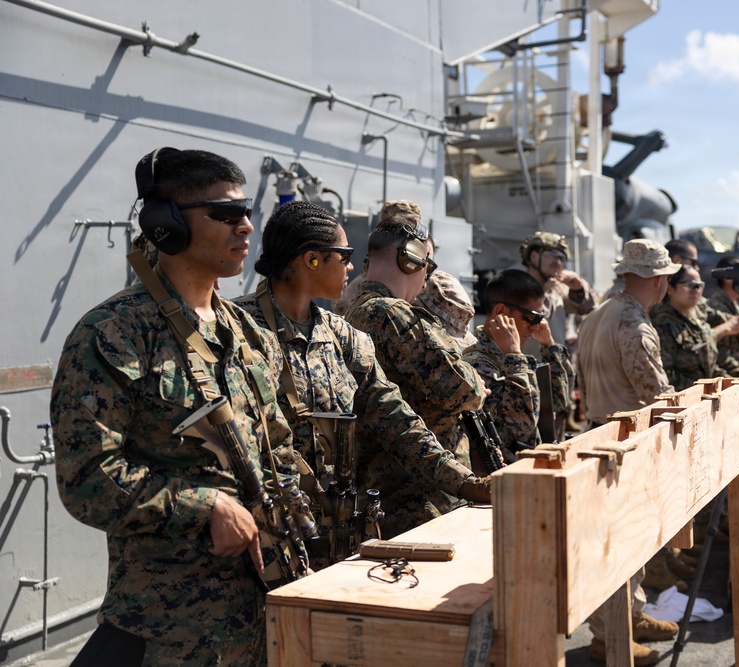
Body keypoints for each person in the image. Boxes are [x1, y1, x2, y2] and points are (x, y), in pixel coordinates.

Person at [52, 148, 292, 665]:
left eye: (248, 213)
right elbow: (87, 478)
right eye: (226, 215)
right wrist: (204, 506)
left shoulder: (248, 332)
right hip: (171, 633)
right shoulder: (113, 333)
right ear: (167, 225)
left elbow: (279, 445)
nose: (246, 227)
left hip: (261, 612)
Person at [235, 201, 489, 546]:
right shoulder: (236, 330)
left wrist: (465, 483)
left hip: (330, 534)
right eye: (344, 255)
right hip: (260, 536)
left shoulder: (344, 336)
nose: (353, 267)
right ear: (311, 259)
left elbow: (398, 422)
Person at [575, 239, 681, 665]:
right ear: (657, 281)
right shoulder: (633, 325)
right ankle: (610, 635)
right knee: (626, 545)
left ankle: (629, 616)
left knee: (613, 541)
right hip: (628, 443)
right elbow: (656, 396)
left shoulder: (597, 315)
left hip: (598, 435)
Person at [345, 200, 487, 476]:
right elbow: (462, 390)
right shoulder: (392, 313)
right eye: (429, 265)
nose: (427, 278)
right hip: (419, 489)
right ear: (412, 259)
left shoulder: (357, 310)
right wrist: (476, 382)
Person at [463, 269, 574, 457]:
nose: (536, 325)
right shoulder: (478, 365)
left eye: (541, 317)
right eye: (532, 316)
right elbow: (522, 427)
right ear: (501, 312)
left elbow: (558, 402)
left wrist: (549, 346)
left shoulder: (512, 359)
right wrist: (514, 354)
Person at [650, 266, 739, 391]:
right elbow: (668, 377)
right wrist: (705, 389)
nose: (696, 290)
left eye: (700, 285)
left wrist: (736, 382)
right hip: (683, 400)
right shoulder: (662, 325)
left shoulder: (697, 315)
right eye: (690, 285)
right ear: (670, 289)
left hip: (705, 396)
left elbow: (707, 366)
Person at [519, 231, 598, 347]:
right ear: (534, 257)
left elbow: (591, 311)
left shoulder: (557, 290)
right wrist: (548, 291)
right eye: (552, 254)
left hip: (555, 362)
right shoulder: (516, 288)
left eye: (562, 258)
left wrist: (579, 289)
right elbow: (534, 319)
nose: (558, 262)